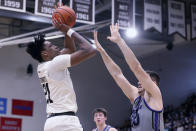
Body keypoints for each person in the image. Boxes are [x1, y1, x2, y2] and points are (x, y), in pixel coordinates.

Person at [26, 15, 96, 131]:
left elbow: (69, 50)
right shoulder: (55, 63)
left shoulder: (42, 67)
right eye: (51, 46)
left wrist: (67, 26)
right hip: (66, 122)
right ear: (45, 54)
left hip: (51, 123)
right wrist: (68, 30)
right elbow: (90, 49)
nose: (56, 46)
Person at [93, 23, 164, 131]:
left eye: (142, 80)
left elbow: (137, 68)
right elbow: (117, 75)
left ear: (154, 84)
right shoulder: (136, 96)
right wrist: (102, 52)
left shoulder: (155, 95)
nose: (139, 82)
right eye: (139, 80)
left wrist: (120, 41)